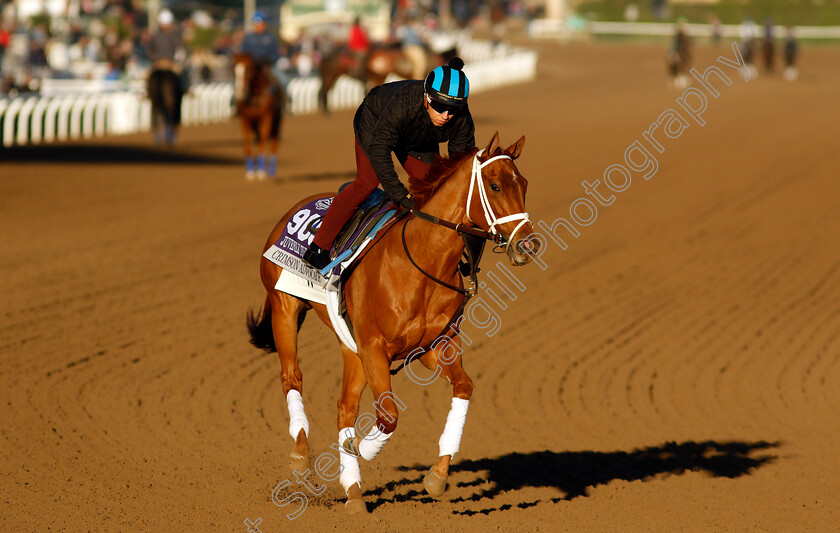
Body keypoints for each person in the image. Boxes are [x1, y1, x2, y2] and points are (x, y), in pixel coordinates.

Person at [302, 57, 475, 270]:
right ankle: (318, 247)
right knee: (367, 182)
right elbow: (380, 149)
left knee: (436, 189)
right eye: (439, 106)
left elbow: (459, 168)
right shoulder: (404, 103)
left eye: (454, 109)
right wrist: (401, 196)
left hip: (416, 138)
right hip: (375, 123)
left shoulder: (461, 120)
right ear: (426, 97)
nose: (446, 115)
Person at [240, 11, 289, 97]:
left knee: (284, 80)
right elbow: (244, 54)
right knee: (239, 82)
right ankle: (235, 102)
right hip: (252, 67)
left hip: (268, 66)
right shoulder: (248, 38)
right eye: (256, 24)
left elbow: (276, 54)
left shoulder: (271, 38)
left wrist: (268, 61)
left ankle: (286, 101)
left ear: (265, 24)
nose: (259, 26)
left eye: (261, 24)